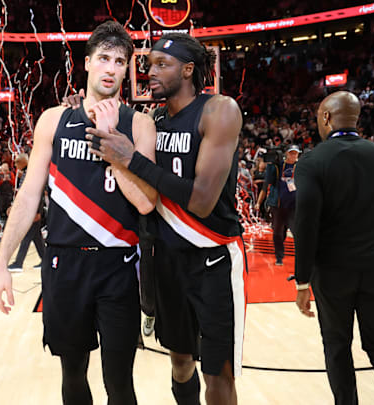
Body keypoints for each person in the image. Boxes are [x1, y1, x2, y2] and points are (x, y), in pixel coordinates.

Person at [0, 20, 157, 405]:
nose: (111, 68)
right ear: (87, 63)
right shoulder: (54, 120)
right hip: (64, 264)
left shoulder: (140, 124)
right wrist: (1, 263)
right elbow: (29, 194)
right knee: (72, 376)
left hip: (118, 266)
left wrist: (113, 144)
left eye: (120, 61)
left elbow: (147, 203)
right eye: (103, 58)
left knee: (119, 383)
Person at [85, 33, 244, 405]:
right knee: (180, 362)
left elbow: (202, 201)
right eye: (148, 65)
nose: (149, 72)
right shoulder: (154, 119)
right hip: (167, 261)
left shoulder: (219, 110)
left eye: (161, 65)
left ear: (189, 69)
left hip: (212, 259)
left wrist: (131, 159)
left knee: (217, 374)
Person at [293, 91, 374, 405]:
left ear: (327, 118)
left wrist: (303, 280)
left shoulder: (313, 161)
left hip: (333, 273)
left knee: (337, 347)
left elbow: (306, 223)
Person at [254, 145, 300, 266]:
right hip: (278, 205)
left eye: (295, 153)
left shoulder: (300, 167)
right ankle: (279, 256)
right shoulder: (278, 166)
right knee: (278, 233)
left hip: (294, 206)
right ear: (286, 154)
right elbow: (267, 183)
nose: (293, 156)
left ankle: (301, 258)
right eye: (291, 153)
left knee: (297, 232)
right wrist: (259, 202)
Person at [7, 153, 45, 272]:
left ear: (23, 162)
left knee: (27, 236)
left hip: (33, 211)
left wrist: (37, 212)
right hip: (29, 209)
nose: (15, 165)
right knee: (36, 237)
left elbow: (38, 192)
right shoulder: (27, 172)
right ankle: (45, 260)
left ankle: (18, 263)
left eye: (17, 163)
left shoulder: (32, 173)